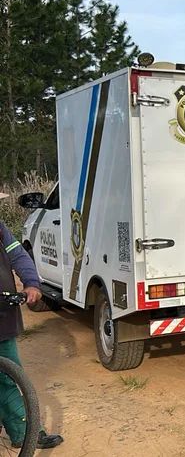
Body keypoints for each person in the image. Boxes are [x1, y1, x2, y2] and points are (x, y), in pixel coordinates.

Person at [0, 192, 63, 449]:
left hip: (2, 315)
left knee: (10, 376)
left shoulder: (1, 229)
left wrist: (31, 283)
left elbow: (19, 257)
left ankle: (26, 433)